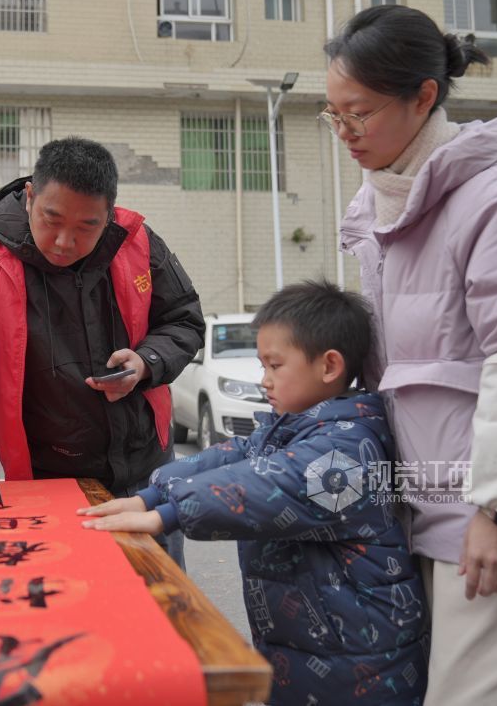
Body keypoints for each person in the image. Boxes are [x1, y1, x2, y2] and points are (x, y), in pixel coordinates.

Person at [324, 5, 497, 705]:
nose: (345, 133)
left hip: (492, 518)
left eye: (361, 114)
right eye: (333, 116)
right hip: (420, 508)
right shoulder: (380, 205)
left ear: (424, 97)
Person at [80, 280, 429, 706]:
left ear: (330, 366)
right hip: (311, 654)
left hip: (361, 671)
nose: (264, 380)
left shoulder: (348, 450)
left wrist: (166, 515)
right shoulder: (294, 428)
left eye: (274, 366)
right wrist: (148, 496)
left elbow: (274, 484)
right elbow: (232, 458)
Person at [0, 137, 205, 560]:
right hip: (48, 480)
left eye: (87, 227)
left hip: (146, 468)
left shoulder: (136, 243)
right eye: (52, 219)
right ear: (29, 198)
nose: (65, 241)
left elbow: (184, 319)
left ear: (109, 215)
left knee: (160, 602)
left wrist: (146, 362)